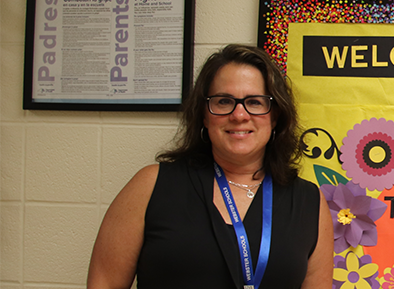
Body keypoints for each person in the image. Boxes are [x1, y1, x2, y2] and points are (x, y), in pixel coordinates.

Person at [87, 44, 334, 288]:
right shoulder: (151, 185)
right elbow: (104, 283)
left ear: (275, 115)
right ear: (204, 115)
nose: (239, 115)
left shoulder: (308, 202)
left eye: (255, 102)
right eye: (224, 101)